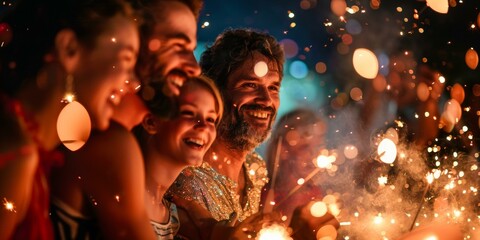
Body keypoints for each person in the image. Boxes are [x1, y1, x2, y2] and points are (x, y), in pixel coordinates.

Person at [49, 0, 202, 239]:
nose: (194, 67)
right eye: (177, 46)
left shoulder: (109, 136)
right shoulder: (108, 142)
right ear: (130, 39)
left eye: (191, 49)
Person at [168, 28, 338, 240]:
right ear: (216, 92)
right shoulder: (185, 177)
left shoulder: (255, 169)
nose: (266, 100)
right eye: (250, 85)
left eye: (273, 88)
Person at [0, 0, 139, 239]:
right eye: (125, 60)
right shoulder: (16, 154)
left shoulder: (35, 153)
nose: (133, 83)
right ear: (69, 49)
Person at [135, 75, 223, 239]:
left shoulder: (170, 215)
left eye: (211, 119)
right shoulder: (126, 198)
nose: (203, 126)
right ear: (151, 122)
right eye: (188, 113)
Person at [263, 108, 328, 224]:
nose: (314, 155)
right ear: (283, 150)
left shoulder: (315, 194)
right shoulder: (263, 195)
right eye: (306, 147)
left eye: (318, 147)